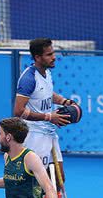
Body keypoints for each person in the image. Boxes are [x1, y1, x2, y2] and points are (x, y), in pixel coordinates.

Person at [13, 38, 75, 180]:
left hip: (49, 132)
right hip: (34, 135)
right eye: (49, 55)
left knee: (59, 181)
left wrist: (64, 101)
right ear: (37, 57)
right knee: (38, 182)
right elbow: (18, 111)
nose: (54, 57)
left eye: (53, 53)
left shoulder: (47, 73)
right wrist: (49, 117)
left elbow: (47, 93)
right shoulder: (28, 79)